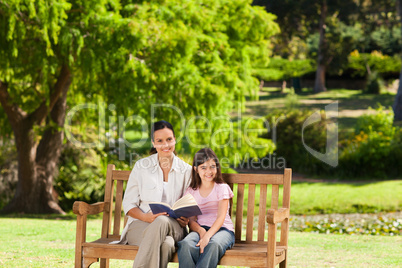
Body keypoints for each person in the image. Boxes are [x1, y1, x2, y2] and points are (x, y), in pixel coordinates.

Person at [115, 120, 192, 268]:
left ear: (175, 139)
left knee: (162, 221)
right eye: (160, 141)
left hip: (174, 227)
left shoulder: (186, 170)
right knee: (167, 244)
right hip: (140, 225)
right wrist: (145, 216)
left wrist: (185, 218)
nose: (165, 145)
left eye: (169, 139)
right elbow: (129, 204)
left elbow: (190, 204)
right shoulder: (141, 167)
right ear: (153, 143)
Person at [178, 148, 235, 268]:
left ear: (217, 168)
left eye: (212, 166)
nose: (208, 171)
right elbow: (191, 221)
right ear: (196, 169)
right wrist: (201, 231)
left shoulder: (222, 188)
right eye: (203, 167)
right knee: (186, 243)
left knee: (213, 244)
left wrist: (207, 236)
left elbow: (221, 217)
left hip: (223, 230)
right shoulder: (191, 192)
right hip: (200, 229)